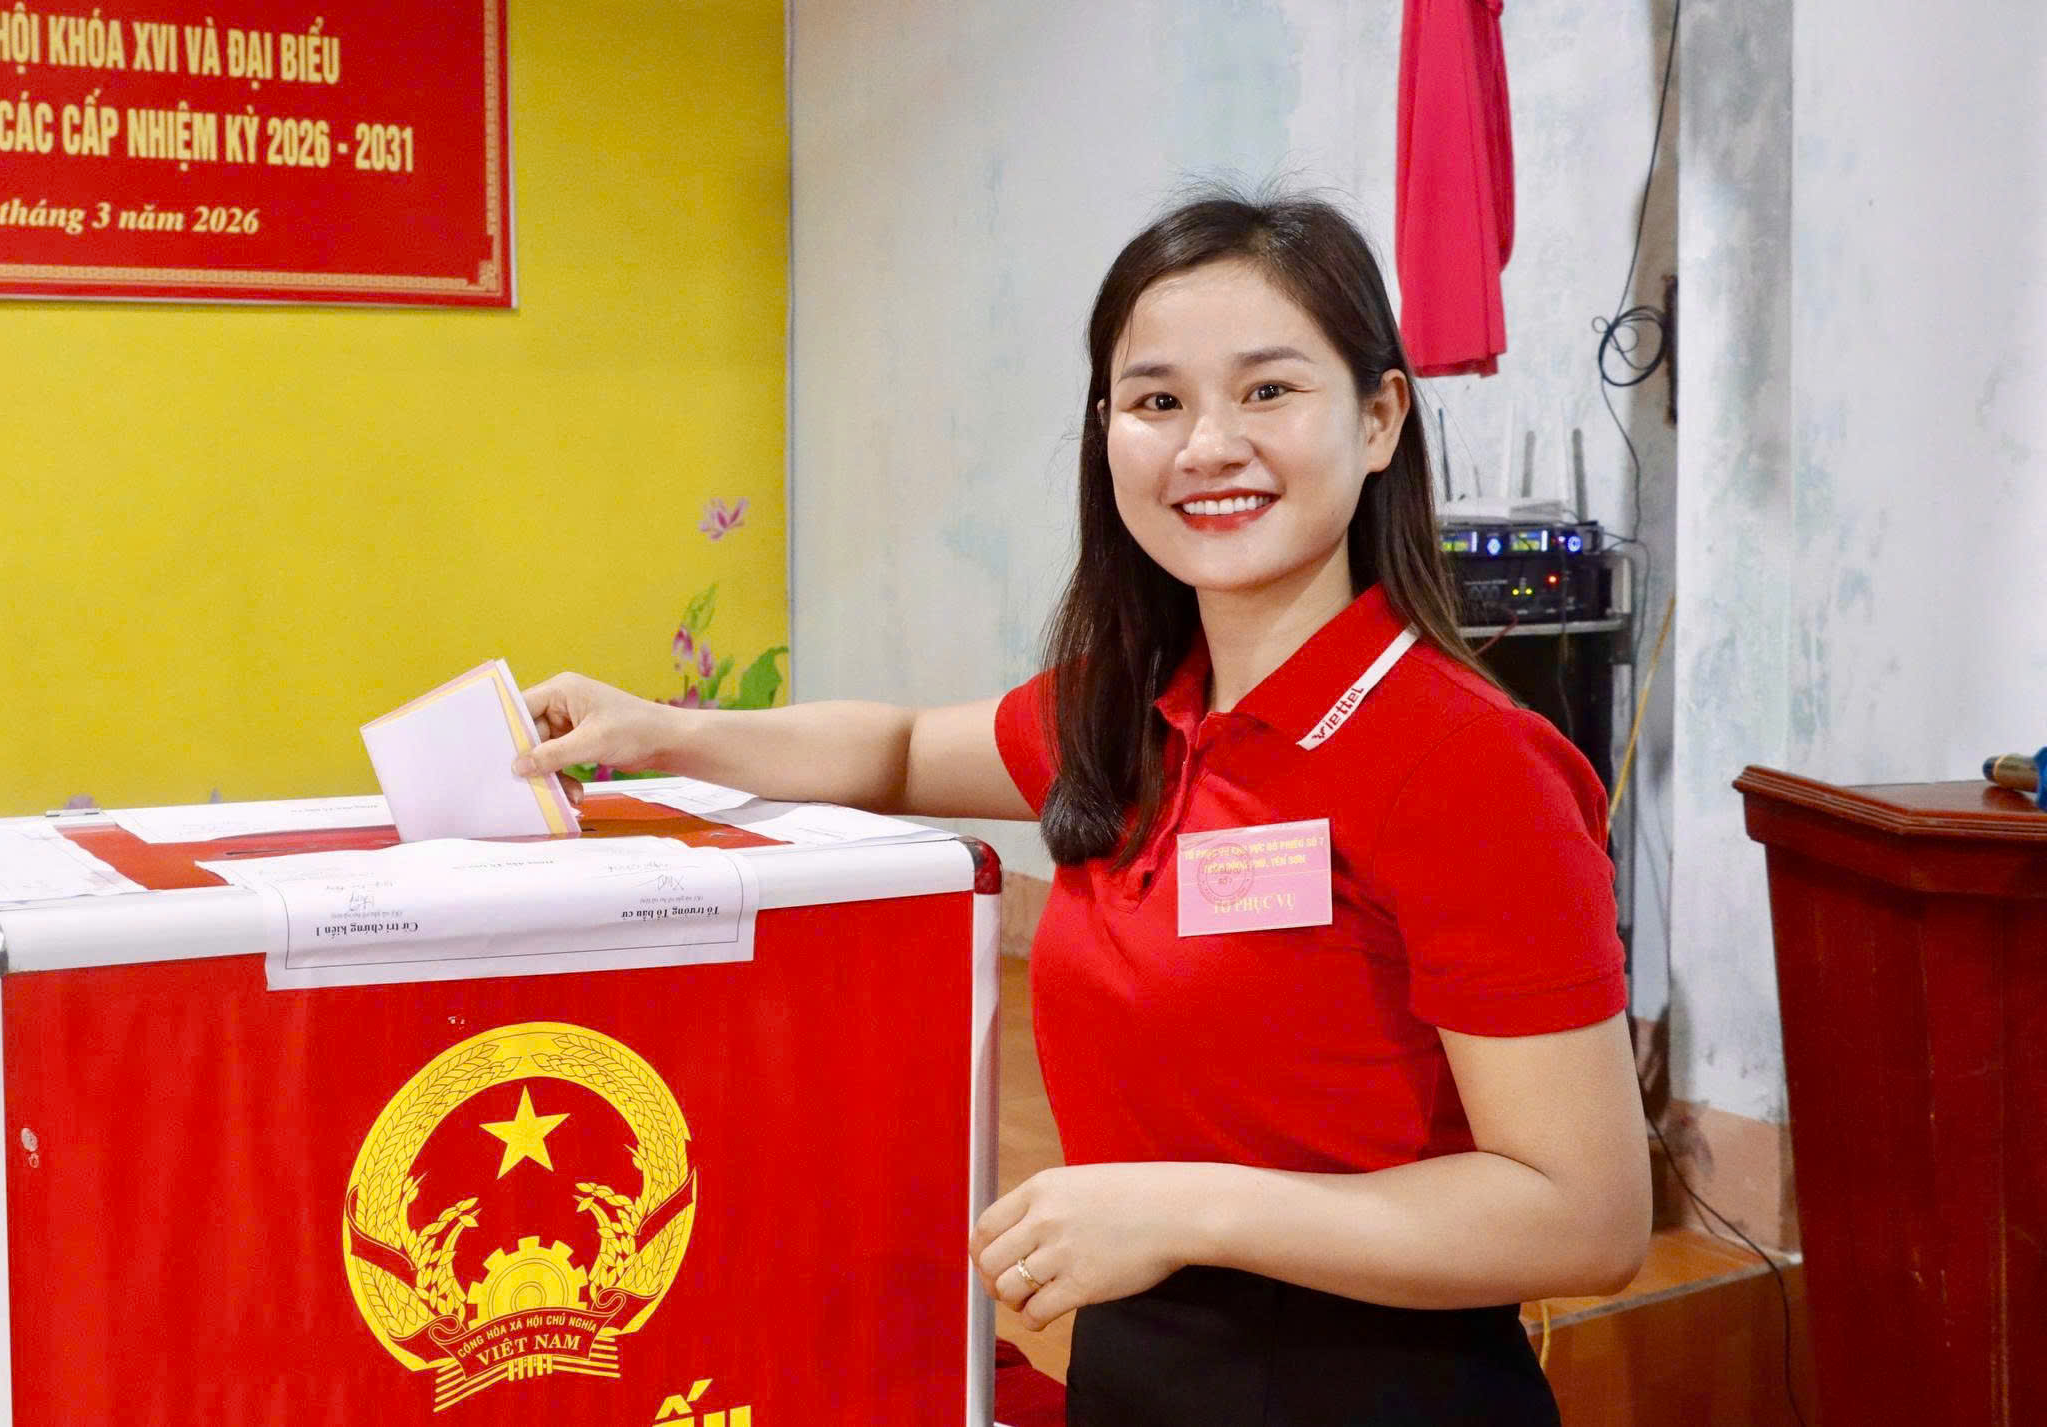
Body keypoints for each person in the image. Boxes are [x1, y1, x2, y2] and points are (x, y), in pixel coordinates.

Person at [514, 190, 1648, 1424]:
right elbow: (897, 750)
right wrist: (662, 732)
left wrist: (1184, 1207)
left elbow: (1583, 1217)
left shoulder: (1469, 765)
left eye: (1267, 390)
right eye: (1156, 402)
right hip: (1140, 1370)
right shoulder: (1129, 710)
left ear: (1378, 419)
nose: (1207, 445)